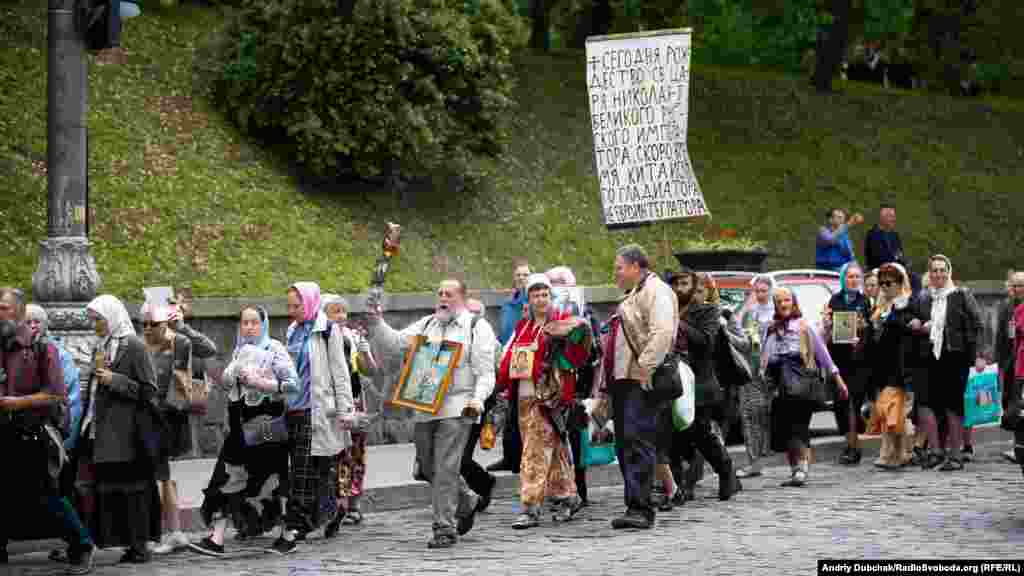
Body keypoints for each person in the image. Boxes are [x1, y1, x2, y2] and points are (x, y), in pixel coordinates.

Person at [366, 278, 496, 548]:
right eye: (439, 293)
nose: (443, 298)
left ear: (462, 297)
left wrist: (477, 400)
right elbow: (396, 343)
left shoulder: (476, 326)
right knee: (426, 467)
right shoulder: (427, 324)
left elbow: (486, 373)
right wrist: (377, 322)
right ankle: (467, 500)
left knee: (446, 467)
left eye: (449, 294)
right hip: (425, 406)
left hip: (458, 407)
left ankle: (443, 528)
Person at [189, 305, 297, 557]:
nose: (248, 327)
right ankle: (216, 538)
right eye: (244, 322)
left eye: (254, 322)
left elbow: (293, 385)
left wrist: (262, 382)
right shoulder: (239, 350)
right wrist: (234, 373)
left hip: (267, 425)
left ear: (263, 324)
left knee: (273, 478)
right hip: (240, 424)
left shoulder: (275, 350)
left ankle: (288, 535)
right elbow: (227, 383)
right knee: (226, 475)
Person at [0, 290, 95, 574]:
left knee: (46, 495)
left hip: (33, 433)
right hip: (4, 431)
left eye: (2, 307)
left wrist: (18, 402)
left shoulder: (43, 349)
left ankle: (82, 545)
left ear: (17, 312)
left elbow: (56, 395)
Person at [593, 244, 678, 530]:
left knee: (638, 441)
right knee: (627, 442)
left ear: (635, 267)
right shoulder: (635, 293)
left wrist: (646, 366)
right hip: (624, 379)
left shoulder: (656, 291)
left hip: (640, 379)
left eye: (619, 267)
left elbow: (663, 332)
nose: (615, 273)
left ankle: (642, 508)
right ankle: (634, 504)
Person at [496, 273, 591, 529]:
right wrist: (502, 384)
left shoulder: (563, 323)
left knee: (534, 453)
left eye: (545, 294)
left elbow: (579, 352)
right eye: (535, 294)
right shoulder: (523, 326)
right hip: (523, 398)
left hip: (549, 398)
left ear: (551, 297)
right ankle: (568, 496)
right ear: (528, 299)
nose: (540, 299)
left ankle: (530, 506)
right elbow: (509, 359)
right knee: (553, 450)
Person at [78, 295, 161, 564]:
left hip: (128, 434)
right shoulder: (100, 347)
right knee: (110, 490)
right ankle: (122, 542)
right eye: (92, 320)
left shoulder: (134, 346)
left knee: (133, 490)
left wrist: (117, 380)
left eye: (98, 320)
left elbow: (149, 390)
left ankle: (139, 545)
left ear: (111, 317)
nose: (95, 325)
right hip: (100, 431)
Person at [273, 282, 354, 555]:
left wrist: (346, 412)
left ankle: (295, 528)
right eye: (289, 306)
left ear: (309, 303)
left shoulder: (328, 330)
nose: (292, 311)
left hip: (315, 410)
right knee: (305, 470)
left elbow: (340, 373)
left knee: (302, 471)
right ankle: (326, 512)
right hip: (291, 409)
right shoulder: (293, 330)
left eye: (297, 306)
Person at [661, 270, 739, 507]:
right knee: (671, 437)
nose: (680, 288)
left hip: (700, 384)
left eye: (685, 283)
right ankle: (675, 488)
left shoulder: (707, 311)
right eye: (676, 284)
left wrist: (679, 324)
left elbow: (706, 342)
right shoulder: (666, 310)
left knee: (701, 434)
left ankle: (726, 472)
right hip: (672, 381)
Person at [762, 287, 848, 487]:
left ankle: (802, 468)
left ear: (794, 302)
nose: (784, 304)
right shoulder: (772, 328)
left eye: (787, 300)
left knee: (798, 427)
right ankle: (795, 470)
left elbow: (824, 355)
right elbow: (765, 359)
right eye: (779, 301)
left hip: (802, 385)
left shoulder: (804, 326)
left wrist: (839, 381)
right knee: (784, 430)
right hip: (781, 387)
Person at [909, 255, 984, 471]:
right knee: (929, 402)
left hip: (955, 356)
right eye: (934, 270)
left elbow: (978, 324)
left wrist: (979, 354)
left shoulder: (961, 294)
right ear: (929, 274)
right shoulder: (924, 297)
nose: (938, 274)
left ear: (949, 272)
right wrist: (917, 324)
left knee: (953, 405)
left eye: (942, 270)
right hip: (929, 356)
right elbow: (913, 318)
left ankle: (955, 455)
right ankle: (935, 452)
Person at [321, 294, 378, 534]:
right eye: (335, 311)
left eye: (344, 311)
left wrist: (364, 351)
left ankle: (353, 504)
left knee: (356, 454)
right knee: (339, 456)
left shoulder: (353, 338)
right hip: (332, 406)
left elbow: (370, 370)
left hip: (355, 403)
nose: (342, 316)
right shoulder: (321, 340)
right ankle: (338, 503)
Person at [141, 302, 194, 555]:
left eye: (154, 324)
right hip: (147, 417)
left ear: (166, 324)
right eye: (145, 324)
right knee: (160, 475)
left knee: (161, 475)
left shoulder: (178, 343)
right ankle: (171, 532)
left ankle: (173, 532)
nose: (148, 329)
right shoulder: (140, 345)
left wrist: (178, 329)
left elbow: (179, 381)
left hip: (165, 417)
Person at [863, 263, 919, 468]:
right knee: (888, 411)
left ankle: (898, 452)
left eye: (889, 283)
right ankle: (898, 452)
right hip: (881, 365)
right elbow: (874, 335)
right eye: (882, 283)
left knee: (894, 411)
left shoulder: (907, 304)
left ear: (899, 283)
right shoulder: (879, 307)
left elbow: (909, 330)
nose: (885, 287)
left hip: (900, 365)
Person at [822, 262, 871, 465]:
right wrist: (828, 325)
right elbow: (830, 329)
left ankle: (853, 447)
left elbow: (871, 327)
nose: (853, 280)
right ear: (843, 279)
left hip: (859, 360)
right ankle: (851, 444)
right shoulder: (834, 299)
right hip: (840, 358)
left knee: (853, 403)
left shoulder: (865, 301)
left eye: (856, 277)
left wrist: (862, 331)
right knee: (842, 404)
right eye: (849, 277)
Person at [489, 259, 532, 474]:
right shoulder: (508, 303)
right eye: (519, 275)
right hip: (507, 356)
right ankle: (509, 456)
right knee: (508, 412)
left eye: (526, 275)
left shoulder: (530, 300)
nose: (522, 279)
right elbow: (505, 330)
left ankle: (521, 457)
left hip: (524, 358)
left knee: (520, 412)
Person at [458, 296, 499, 514]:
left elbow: (492, 376)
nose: (471, 316)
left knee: (461, 456)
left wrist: (481, 402)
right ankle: (474, 488)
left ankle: (483, 484)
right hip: (453, 404)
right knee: (454, 456)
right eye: (468, 311)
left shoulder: (487, 339)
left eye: (476, 313)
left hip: (476, 404)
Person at [737, 275, 776, 478]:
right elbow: (737, 332)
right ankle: (754, 461)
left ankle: (766, 455)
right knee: (749, 414)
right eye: (756, 291)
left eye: (763, 290)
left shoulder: (778, 309)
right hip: (750, 369)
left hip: (771, 369)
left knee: (765, 414)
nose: (760, 294)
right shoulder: (748, 312)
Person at [864, 205, 920, 294]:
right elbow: (877, 258)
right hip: (879, 269)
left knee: (915, 278)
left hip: (896, 268)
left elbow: (899, 253)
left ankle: (912, 301)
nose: (893, 219)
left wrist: (904, 262)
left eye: (894, 216)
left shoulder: (894, 235)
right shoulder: (872, 235)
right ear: (882, 218)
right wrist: (896, 261)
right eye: (890, 216)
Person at [998, 270, 1023, 463]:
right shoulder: (1006, 306)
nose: (1016, 289)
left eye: (1020, 285)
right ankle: (1017, 445)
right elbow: (1001, 336)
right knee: (1011, 404)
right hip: (1009, 362)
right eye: (1014, 285)